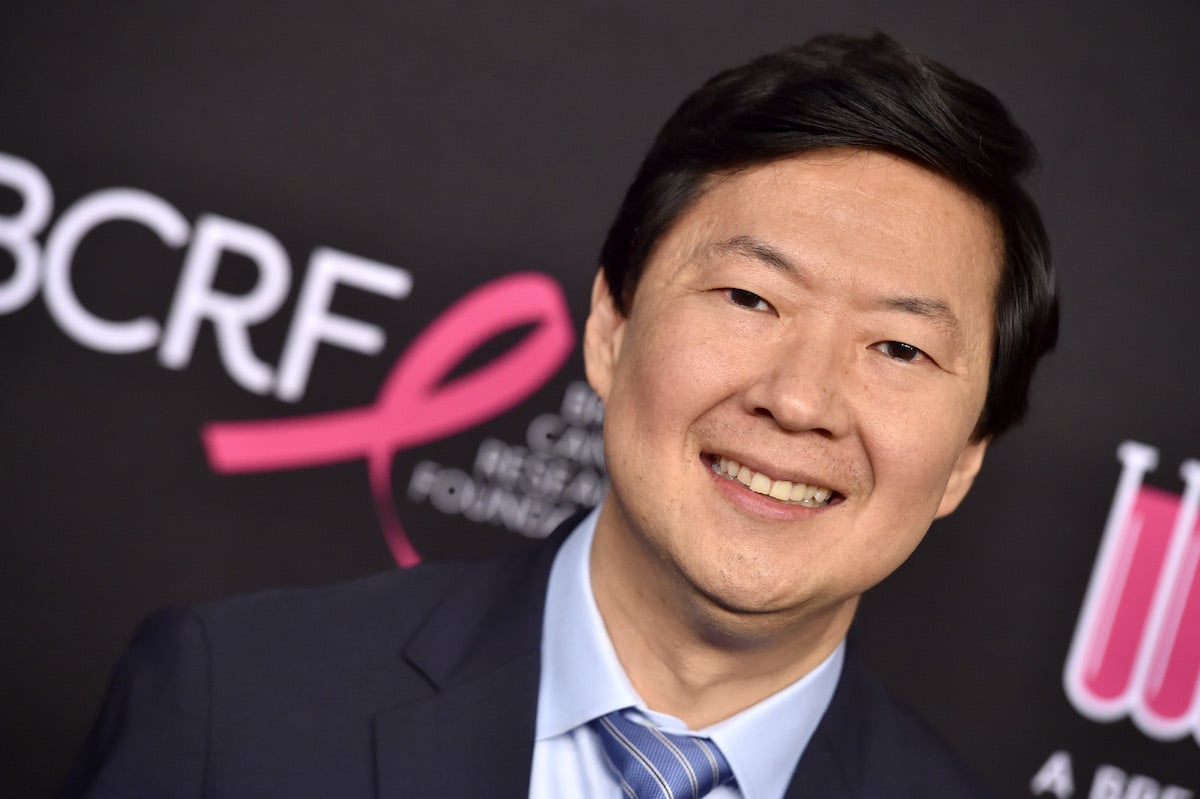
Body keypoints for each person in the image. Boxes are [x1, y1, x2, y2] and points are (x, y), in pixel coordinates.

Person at [62, 31, 1057, 798]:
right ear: (611, 329)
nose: (800, 399)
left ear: (967, 458)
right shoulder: (231, 706)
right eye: (751, 298)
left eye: (900, 348)